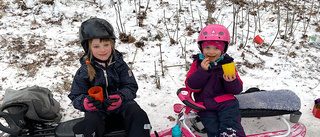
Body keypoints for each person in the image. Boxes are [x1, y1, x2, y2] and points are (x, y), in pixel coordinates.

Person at [68, 17, 151, 137]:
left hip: (120, 105)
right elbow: (75, 95)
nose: (102, 50)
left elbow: (131, 86)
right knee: (90, 123)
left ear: (111, 44)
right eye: (96, 46)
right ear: (88, 48)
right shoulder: (84, 71)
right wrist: (85, 102)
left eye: (106, 44)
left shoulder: (119, 65)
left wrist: (121, 97)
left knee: (138, 114)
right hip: (97, 109)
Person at [185, 24, 246, 137]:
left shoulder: (227, 64)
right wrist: (202, 71)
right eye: (207, 47)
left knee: (230, 126)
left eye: (216, 48)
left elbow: (237, 90)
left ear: (223, 50)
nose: (211, 52)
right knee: (213, 130)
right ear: (201, 48)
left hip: (226, 103)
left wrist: (231, 81)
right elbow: (191, 86)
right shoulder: (197, 64)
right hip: (205, 105)